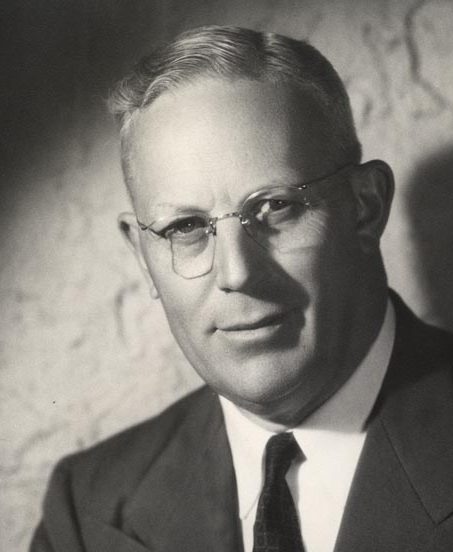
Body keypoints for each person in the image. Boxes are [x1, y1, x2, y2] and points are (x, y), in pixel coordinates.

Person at [30, 26, 453, 552]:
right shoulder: (88, 509)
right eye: (185, 228)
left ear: (365, 207)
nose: (237, 273)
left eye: (275, 207)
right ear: (143, 259)